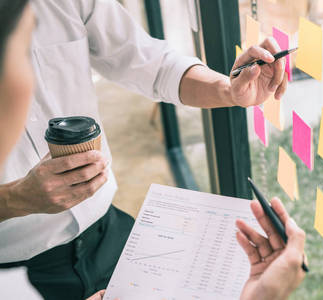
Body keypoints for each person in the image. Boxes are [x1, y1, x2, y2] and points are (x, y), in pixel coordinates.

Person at [0, 1, 306, 300]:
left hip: (109, 233)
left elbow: (149, 62)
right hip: (15, 261)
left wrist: (228, 90)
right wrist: (14, 199)